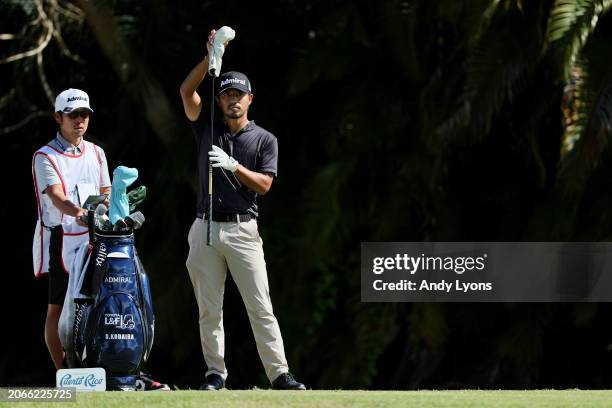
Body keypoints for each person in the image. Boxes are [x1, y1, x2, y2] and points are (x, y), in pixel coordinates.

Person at [179, 30, 306, 391]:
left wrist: (234, 166)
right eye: (227, 95)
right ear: (219, 101)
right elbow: (187, 93)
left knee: (260, 305)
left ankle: (279, 374)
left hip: (242, 229)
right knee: (209, 310)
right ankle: (215, 374)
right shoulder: (208, 127)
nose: (232, 100)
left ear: (250, 99)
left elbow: (265, 185)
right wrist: (210, 60)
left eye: (238, 95)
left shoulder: (265, 139)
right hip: (204, 228)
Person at [32, 88, 111, 369]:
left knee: (97, 302)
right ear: (58, 117)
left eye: (84, 114)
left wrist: (105, 206)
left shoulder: (96, 152)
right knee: (57, 307)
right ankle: (63, 372)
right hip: (61, 236)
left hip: (95, 235)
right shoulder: (45, 156)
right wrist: (79, 212)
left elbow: (106, 190)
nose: (80, 120)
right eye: (73, 114)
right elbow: (55, 194)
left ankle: (97, 367)